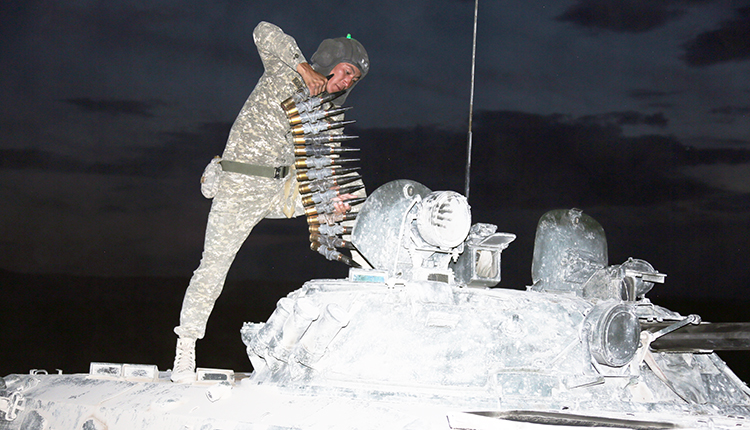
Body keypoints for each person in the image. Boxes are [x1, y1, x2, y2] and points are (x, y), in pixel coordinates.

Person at [171, 21, 369, 383]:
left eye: (354, 80)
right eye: (347, 71)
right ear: (331, 60)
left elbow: (323, 167)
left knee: (350, 188)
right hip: (241, 186)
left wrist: (334, 203)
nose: (348, 82)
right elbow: (263, 30)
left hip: (283, 189)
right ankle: (185, 349)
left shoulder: (327, 115)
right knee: (213, 267)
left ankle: (372, 273)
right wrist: (301, 65)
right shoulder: (282, 69)